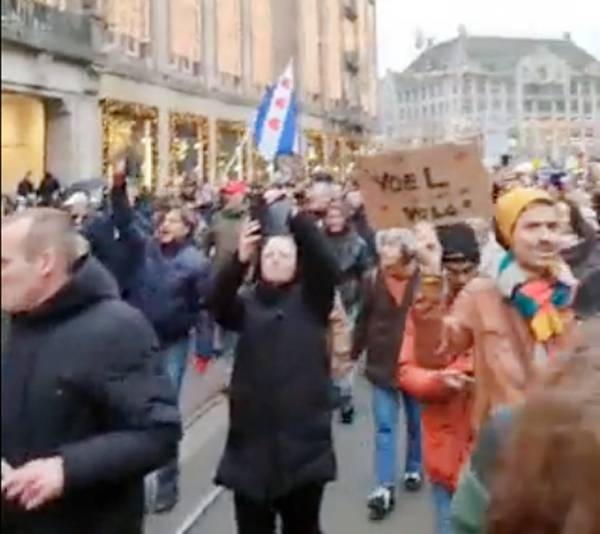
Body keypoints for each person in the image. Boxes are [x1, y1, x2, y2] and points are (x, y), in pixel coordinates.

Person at [0, 208, 181, 534]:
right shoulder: (12, 322)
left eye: (3, 264)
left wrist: (67, 469)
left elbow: (159, 435)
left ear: (45, 263)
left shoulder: (116, 328)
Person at [209, 191, 339, 534]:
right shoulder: (247, 303)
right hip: (250, 449)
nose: (277, 260)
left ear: (297, 263)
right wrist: (238, 261)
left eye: (285, 254)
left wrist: (295, 217)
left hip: (304, 448)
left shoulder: (312, 301)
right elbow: (216, 303)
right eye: (270, 254)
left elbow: (326, 264)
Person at [418, 187, 579, 433]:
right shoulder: (482, 293)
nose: (545, 236)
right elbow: (435, 353)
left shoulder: (572, 290)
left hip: (562, 440)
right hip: (503, 442)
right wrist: (430, 277)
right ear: (508, 233)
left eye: (552, 226)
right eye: (532, 227)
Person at [451, 310, 600, 534]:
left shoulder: (560, 296)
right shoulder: (485, 294)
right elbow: (444, 346)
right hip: (516, 427)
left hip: (544, 417)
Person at [397, 223, 480, 534]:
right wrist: (438, 382)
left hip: (487, 452)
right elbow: (406, 369)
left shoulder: (495, 302)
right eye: (452, 270)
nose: (460, 280)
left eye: (467, 270)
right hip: (445, 447)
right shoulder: (423, 308)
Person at [352, 228, 423, 521]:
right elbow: (363, 317)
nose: (384, 252)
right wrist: (353, 352)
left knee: (416, 422)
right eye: (383, 246)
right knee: (384, 425)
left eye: (391, 246)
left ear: (406, 251)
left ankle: (414, 466)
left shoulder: (425, 280)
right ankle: (383, 487)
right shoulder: (372, 278)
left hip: (416, 363)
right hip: (382, 362)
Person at [323, 201, 371, 424]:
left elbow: (366, 274)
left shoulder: (357, 243)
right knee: (324, 349)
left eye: (337, 216)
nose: (333, 221)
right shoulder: (318, 241)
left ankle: (345, 397)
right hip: (323, 300)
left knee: (344, 352)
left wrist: (363, 302)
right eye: (329, 217)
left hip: (349, 300)